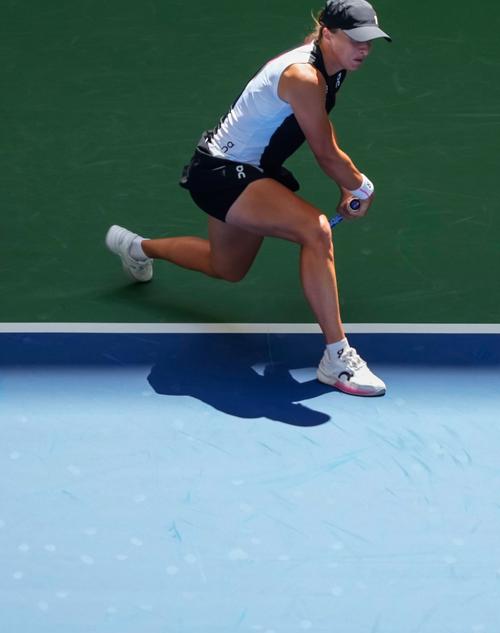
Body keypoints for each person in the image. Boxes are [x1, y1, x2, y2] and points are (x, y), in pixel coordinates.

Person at [105, 0, 392, 396]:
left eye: (369, 42)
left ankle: (137, 248)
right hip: (225, 173)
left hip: (247, 168)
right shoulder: (304, 76)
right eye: (355, 39)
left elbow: (320, 133)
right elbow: (325, 152)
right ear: (327, 33)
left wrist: (349, 182)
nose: (364, 49)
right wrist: (360, 185)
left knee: (226, 266)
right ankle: (336, 358)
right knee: (315, 230)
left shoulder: (332, 65)